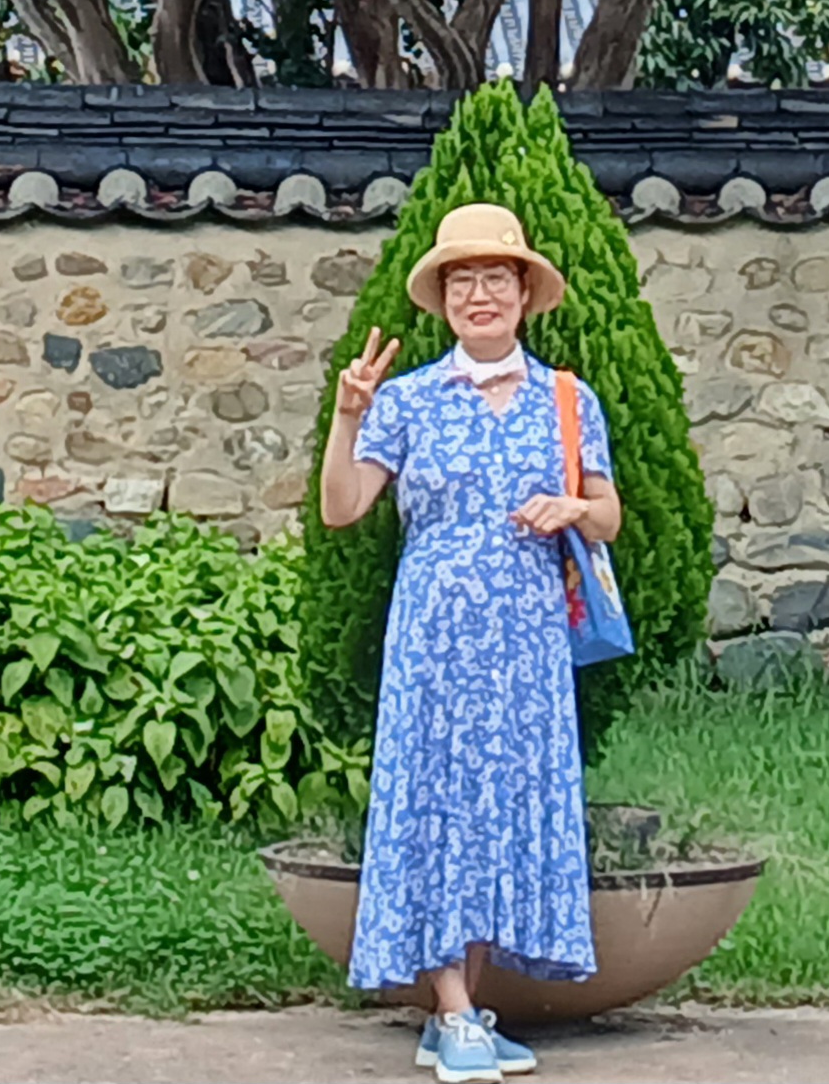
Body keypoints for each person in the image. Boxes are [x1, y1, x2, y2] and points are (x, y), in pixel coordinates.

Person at [319, 201, 624, 1084]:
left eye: (495, 277)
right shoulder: (408, 400)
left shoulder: (567, 400)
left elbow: (608, 513)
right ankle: (454, 1009)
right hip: (435, 640)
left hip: (528, 641)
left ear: (524, 293)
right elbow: (343, 507)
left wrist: (573, 507)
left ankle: (461, 1010)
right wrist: (348, 416)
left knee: (499, 810)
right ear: (443, 297)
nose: (478, 293)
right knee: (438, 803)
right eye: (462, 279)